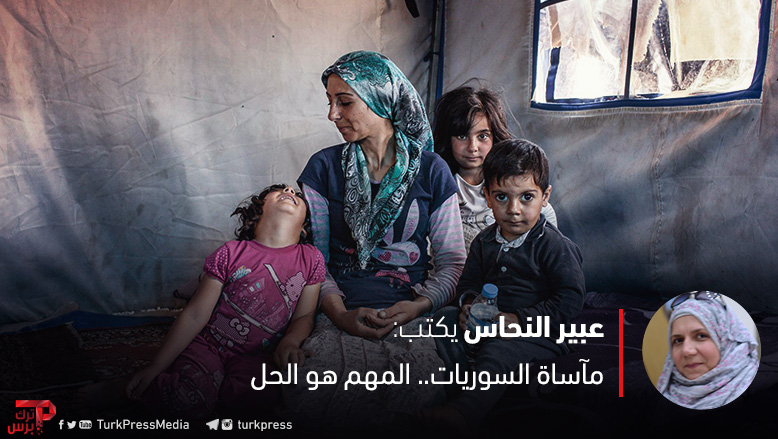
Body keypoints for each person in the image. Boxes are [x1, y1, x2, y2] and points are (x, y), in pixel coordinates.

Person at [284, 50, 467, 429]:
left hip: (412, 312)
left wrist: (417, 307)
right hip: (339, 308)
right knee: (316, 394)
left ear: (381, 98)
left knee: (417, 394)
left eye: (345, 102)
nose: (332, 114)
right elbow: (315, 262)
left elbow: (452, 262)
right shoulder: (322, 168)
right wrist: (340, 315)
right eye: (330, 102)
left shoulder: (432, 171)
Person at [82, 184, 326, 420]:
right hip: (209, 347)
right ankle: (131, 390)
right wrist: (156, 366)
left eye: (296, 194)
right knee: (188, 401)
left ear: (304, 229)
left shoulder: (311, 259)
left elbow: (305, 316)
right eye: (279, 190)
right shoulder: (231, 253)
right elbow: (195, 314)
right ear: (257, 212)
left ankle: (217, 395)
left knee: (266, 399)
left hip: (259, 358)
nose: (289, 191)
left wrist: (290, 342)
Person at [425, 139, 585, 432]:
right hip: (487, 324)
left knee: (500, 350)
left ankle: (464, 413)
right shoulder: (484, 241)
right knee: (443, 320)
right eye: (501, 197)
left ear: (545, 197)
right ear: (487, 196)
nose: (513, 209)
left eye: (526, 197)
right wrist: (468, 305)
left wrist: (519, 320)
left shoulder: (554, 246)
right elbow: (469, 283)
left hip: (537, 333)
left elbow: (570, 299)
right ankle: (458, 382)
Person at [432, 85, 557, 252]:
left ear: (494, 136)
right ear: (448, 138)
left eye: (482, 136)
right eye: (462, 136)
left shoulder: (523, 193)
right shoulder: (435, 186)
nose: (472, 147)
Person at [655, 291, 759, 410]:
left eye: (701, 336)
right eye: (678, 340)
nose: (687, 351)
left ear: (726, 341)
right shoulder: (664, 394)